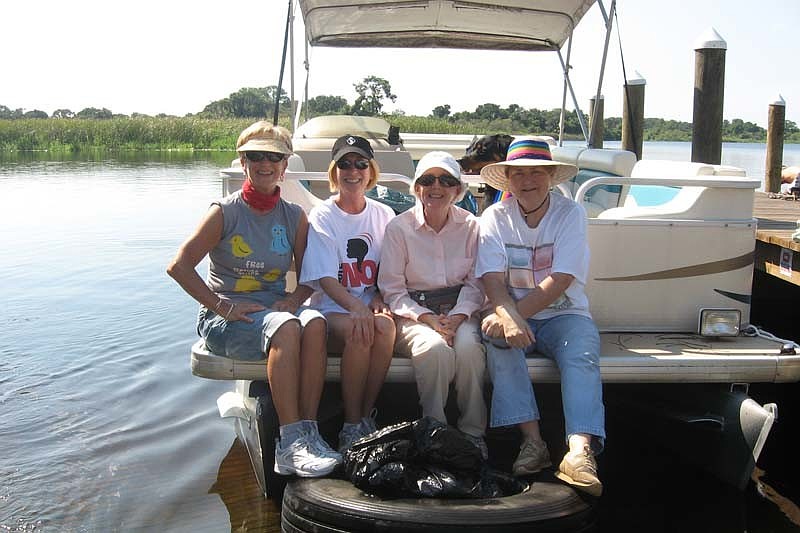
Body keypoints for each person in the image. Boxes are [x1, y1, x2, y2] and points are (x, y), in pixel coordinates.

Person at [166, 121, 341, 478]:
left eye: (273, 157)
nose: (265, 163)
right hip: (226, 316)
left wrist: (294, 300)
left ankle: (308, 432)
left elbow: (311, 274)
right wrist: (222, 307)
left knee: (315, 322)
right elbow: (179, 267)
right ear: (243, 162)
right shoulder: (225, 212)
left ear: (284, 166)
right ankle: (289, 443)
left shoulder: (293, 216)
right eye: (255, 156)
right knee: (289, 328)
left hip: (276, 309)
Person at [475, 136, 605, 497]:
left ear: (551, 177)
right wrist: (509, 318)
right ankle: (532, 442)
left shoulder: (570, 213)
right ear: (508, 180)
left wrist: (514, 316)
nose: (527, 180)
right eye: (518, 174)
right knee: (496, 339)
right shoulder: (495, 217)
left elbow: (561, 278)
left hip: (566, 315)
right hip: (514, 314)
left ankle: (579, 451)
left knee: (581, 354)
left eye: (536, 172)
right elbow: (492, 279)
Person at [378, 151, 489, 457]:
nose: (436, 187)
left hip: (461, 310)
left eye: (446, 180)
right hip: (413, 313)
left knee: (468, 350)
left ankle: (473, 431)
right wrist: (426, 317)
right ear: (416, 188)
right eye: (427, 180)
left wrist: (458, 316)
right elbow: (392, 289)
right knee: (435, 350)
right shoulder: (398, 229)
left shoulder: (472, 226)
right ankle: (434, 430)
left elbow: (476, 281)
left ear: (458, 189)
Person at [299, 134, 397, 452]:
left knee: (386, 326)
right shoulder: (324, 216)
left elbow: (390, 271)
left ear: (371, 172)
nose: (352, 171)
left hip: (366, 305)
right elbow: (326, 278)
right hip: (332, 308)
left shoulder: (384, 215)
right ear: (334, 171)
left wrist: (379, 298)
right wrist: (356, 306)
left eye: (360, 164)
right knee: (360, 329)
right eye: (344, 164)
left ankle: (365, 415)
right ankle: (350, 427)